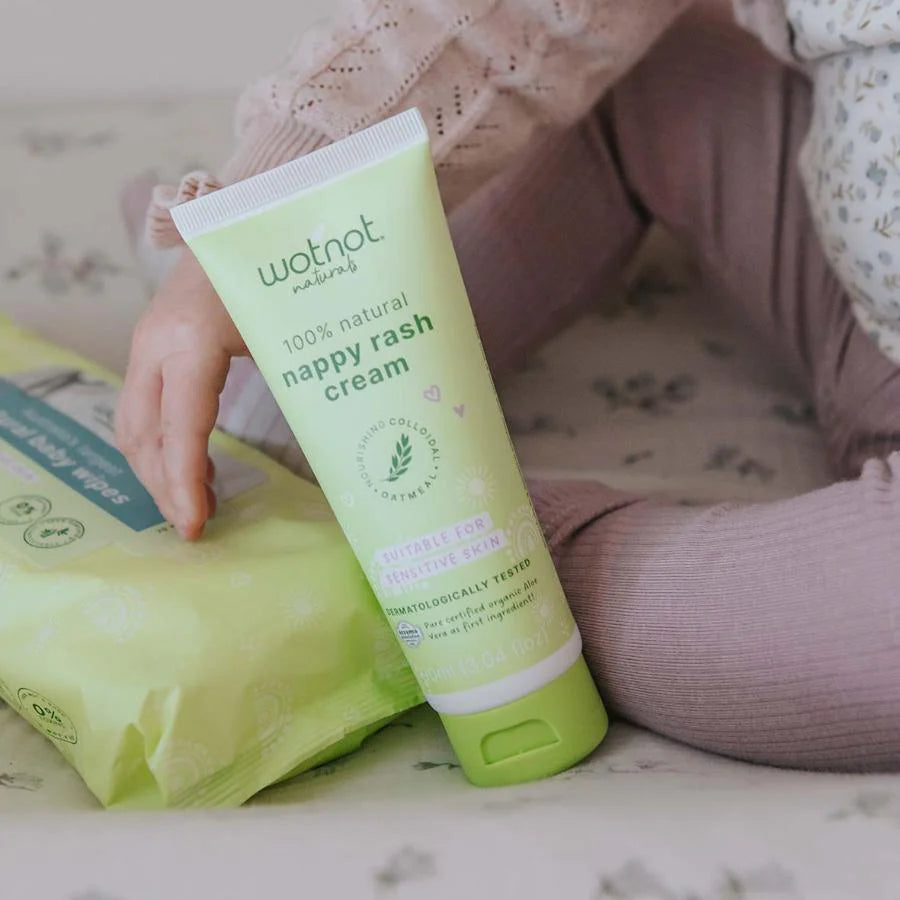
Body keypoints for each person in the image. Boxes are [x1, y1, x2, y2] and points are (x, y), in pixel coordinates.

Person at [115, 0, 900, 772]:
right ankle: (291, 327)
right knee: (657, 65)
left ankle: (452, 567)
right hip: (863, 310)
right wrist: (262, 212)